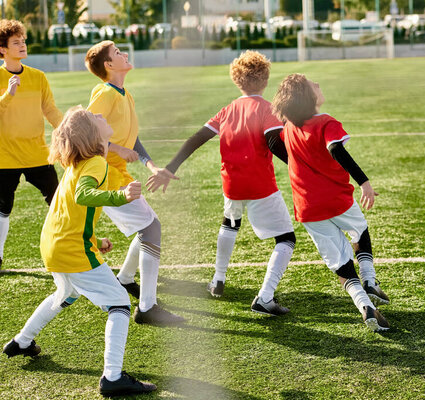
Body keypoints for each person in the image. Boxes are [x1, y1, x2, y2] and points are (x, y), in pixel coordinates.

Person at [2, 106, 156, 397]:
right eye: (96, 118)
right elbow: (85, 196)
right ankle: (112, 377)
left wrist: (96, 241)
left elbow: (69, 213)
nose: (101, 117)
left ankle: (22, 341)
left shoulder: (77, 166)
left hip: (54, 245)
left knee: (65, 294)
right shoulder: (96, 164)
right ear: (93, 136)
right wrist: (120, 196)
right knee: (120, 305)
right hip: (71, 251)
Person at [148, 51, 295, 316]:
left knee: (230, 224)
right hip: (260, 185)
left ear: (236, 81)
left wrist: (169, 168)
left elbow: (196, 138)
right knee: (286, 239)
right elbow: (275, 143)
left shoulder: (227, 109)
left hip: (232, 185)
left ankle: (217, 280)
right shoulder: (266, 109)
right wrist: (301, 167)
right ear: (265, 79)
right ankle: (265, 297)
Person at [271, 73, 390, 332]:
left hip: (307, 207)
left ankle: (364, 304)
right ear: (308, 97)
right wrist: (364, 182)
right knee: (360, 231)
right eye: (314, 85)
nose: (319, 85)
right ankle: (369, 278)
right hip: (336, 199)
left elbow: (272, 142)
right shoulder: (326, 122)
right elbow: (336, 149)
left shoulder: (289, 128)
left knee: (339, 261)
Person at [85, 41, 184, 325]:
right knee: (151, 228)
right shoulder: (105, 92)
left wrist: (152, 165)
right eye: (117, 53)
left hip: (117, 174)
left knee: (149, 225)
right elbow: (87, 129)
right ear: (108, 65)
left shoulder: (124, 93)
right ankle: (148, 306)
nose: (124, 54)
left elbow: (133, 139)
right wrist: (116, 150)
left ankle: (126, 279)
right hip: (104, 175)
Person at [0, 19, 63, 269]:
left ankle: (78, 247)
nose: (22, 45)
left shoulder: (38, 77)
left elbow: (50, 110)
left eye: (23, 41)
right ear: (2, 49)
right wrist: (8, 95)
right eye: (16, 42)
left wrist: (69, 129)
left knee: (59, 201)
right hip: (5, 157)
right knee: (3, 211)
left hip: (38, 154)